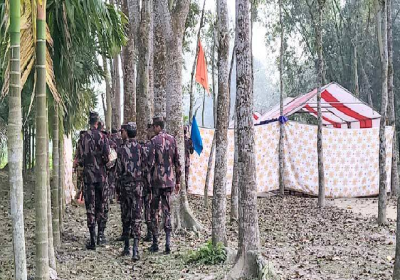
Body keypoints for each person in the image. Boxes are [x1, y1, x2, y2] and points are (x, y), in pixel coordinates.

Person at [148, 116, 181, 254]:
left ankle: (155, 242)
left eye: (153, 127)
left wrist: (147, 181)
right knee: (167, 210)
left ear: (157, 127)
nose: (152, 129)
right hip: (169, 180)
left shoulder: (154, 141)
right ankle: (167, 242)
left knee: (154, 211)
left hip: (157, 182)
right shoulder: (172, 140)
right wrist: (178, 180)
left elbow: (150, 163)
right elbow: (177, 162)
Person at [78, 112, 111, 250]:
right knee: (101, 205)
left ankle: (92, 239)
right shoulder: (103, 137)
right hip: (101, 177)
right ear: (97, 123)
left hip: (88, 177)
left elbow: (79, 159)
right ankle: (101, 236)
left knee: (90, 207)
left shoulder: (83, 138)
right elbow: (108, 158)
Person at [116, 122, 145, 261]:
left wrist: (117, 189)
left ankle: (127, 247)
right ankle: (136, 250)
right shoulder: (141, 148)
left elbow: (118, 170)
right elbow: (146, 166)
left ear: (127, 133)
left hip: (125, 186)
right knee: (137, 217)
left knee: (126, 216)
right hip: (138, 186)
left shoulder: (121, 150)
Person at [140, 123, 155, 242]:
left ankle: (151, 233)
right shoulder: (148, 145)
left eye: (150, 130)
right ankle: (151, 232)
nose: (149, 133)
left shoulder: (151, 145)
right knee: (149, 208)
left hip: (150, 183)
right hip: (150, 183)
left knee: (149, 208)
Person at [73, 130, 86, 200]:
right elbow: (76, 155)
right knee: (80, 181)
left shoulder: (86, 143)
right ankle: (79, 196)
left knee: (84, 182)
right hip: (81, 165)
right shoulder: (79, 143)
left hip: (85, 165)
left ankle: (81, 196)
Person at [184, 125, 194, 190]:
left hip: (179, 162)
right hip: (186, 162)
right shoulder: (189, 141)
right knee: (186, 177)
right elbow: (191, 152)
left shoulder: (176, 140)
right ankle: (185, 190)